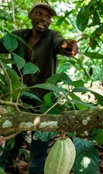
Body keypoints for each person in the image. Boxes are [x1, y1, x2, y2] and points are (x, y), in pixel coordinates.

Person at [0, 2, 78, 173]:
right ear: (31, 15)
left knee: (39, 145)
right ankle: (5, 167)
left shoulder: (52, 36)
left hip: (46, 98)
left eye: (48, 17)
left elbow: (62, 44)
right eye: (39, 14)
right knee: (14, 139)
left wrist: (69, 47)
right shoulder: (17, 37)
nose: (44, 19)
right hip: (22, 97)